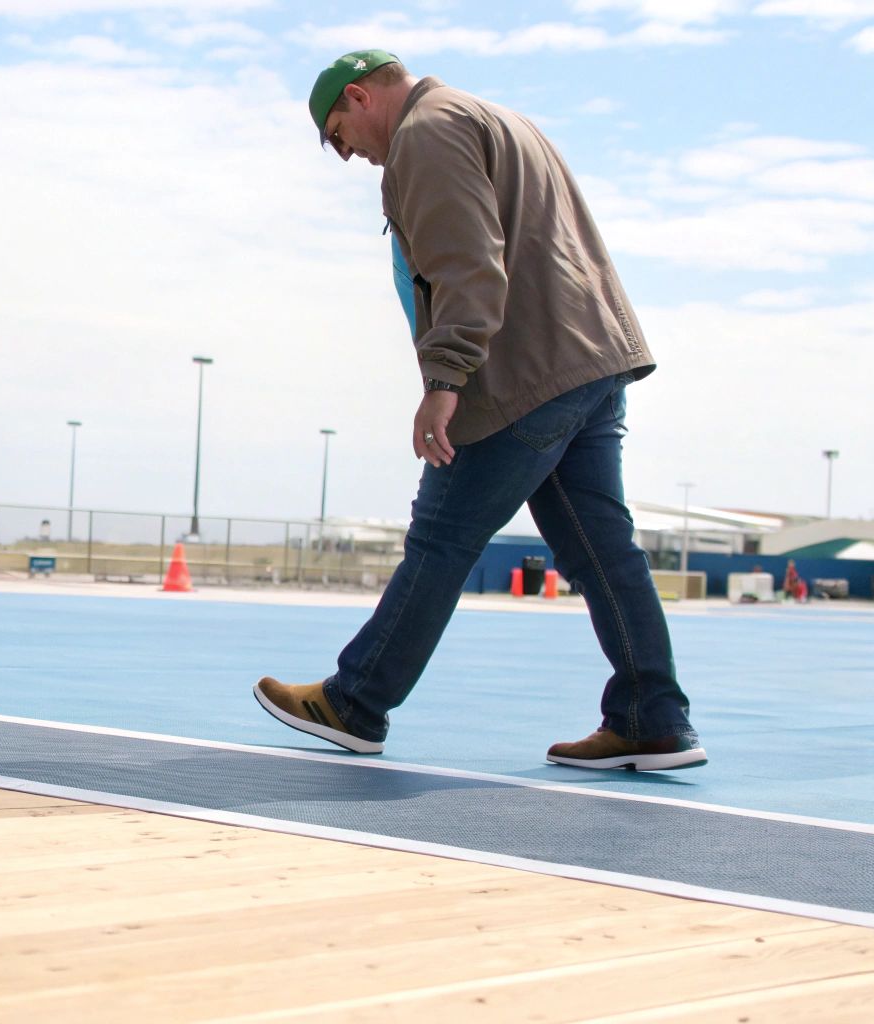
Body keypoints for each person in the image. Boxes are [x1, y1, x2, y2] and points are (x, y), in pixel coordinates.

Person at [251, 50, 705, 772]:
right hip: (590, 360)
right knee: (602, 552)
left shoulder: (426, 132)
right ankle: (653, 719)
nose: (350, 156)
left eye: (338, 137)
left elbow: (467, 260)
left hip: (522, 372)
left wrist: (444, 376)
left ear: (360, 97)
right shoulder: (502, 120)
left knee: (441, 537)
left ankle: (356, 701)